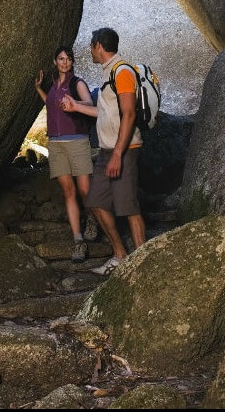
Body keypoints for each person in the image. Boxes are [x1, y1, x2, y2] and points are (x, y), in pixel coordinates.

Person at [61, 27, 146, 275]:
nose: (89, 50)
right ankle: (120, 255)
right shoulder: (109, 73)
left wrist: (118, 153)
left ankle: (142, 265)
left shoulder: (122, 72)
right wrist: (75, 106)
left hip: (125, 149)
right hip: (108, 149)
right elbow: (105, 113)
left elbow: (129, 114)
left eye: (91, 46)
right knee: (96, 201)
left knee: (128, 206)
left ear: (99, 46)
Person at [34, 45, 99, 262]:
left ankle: (92, 217)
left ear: (72, 62)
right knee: (68, 192)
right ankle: (78, 241)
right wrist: (39, 90)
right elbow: (51, 105)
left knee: (84, 189)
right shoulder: (53, 86)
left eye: (68, 59)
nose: (65, 62)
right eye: (61, 59)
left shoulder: (77, 83)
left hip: (78, 142)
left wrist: (74, 105)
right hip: (56, 145)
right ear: (55, 62)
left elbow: (89, 104)